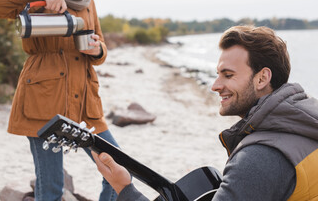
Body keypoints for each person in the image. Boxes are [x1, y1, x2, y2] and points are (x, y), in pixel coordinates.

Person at [92, 26, 318, 200]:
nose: (215, 85)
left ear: (262, 78)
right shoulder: (306, 125)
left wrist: (125, 189)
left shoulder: (259, 158)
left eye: (228, 75)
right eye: (218, 74)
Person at [0, 0, 120, 200]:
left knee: (117, 170)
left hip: (85, 102)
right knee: (52, 187)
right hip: (45, 99)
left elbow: (102, 45)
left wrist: (97, 50)